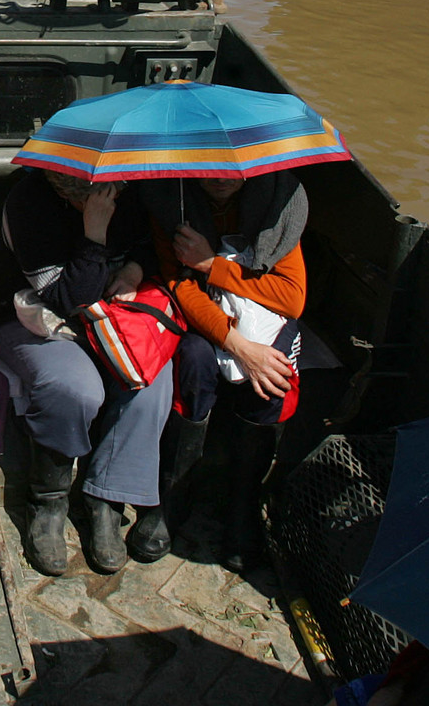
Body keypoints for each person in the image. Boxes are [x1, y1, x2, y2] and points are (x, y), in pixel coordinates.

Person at [0, 171, 175, 576]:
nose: (109, 199)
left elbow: (150, 246)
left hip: (108, 319)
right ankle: (48, 501)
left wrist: (131, 273)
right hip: (37, 322)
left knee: (151, 379)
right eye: (86, 197)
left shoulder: (132, 191)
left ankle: (106, 499)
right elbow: (70, 298)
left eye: (111, 192)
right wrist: (94, 231)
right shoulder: (28, 201)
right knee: (75, 388)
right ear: (60, 189)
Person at [139, 171, 307, 572]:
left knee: (276, 374)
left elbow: (292, 298)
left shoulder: (279, 205)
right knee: (194, 359)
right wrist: (238, 346)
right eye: (208, 170)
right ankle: (173, 495)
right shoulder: (173, 202)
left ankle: (243, 506)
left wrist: (211, 265)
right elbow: (181, 286)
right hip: (210, 321)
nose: (219, 178)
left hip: (265, 319)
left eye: (230, 171)